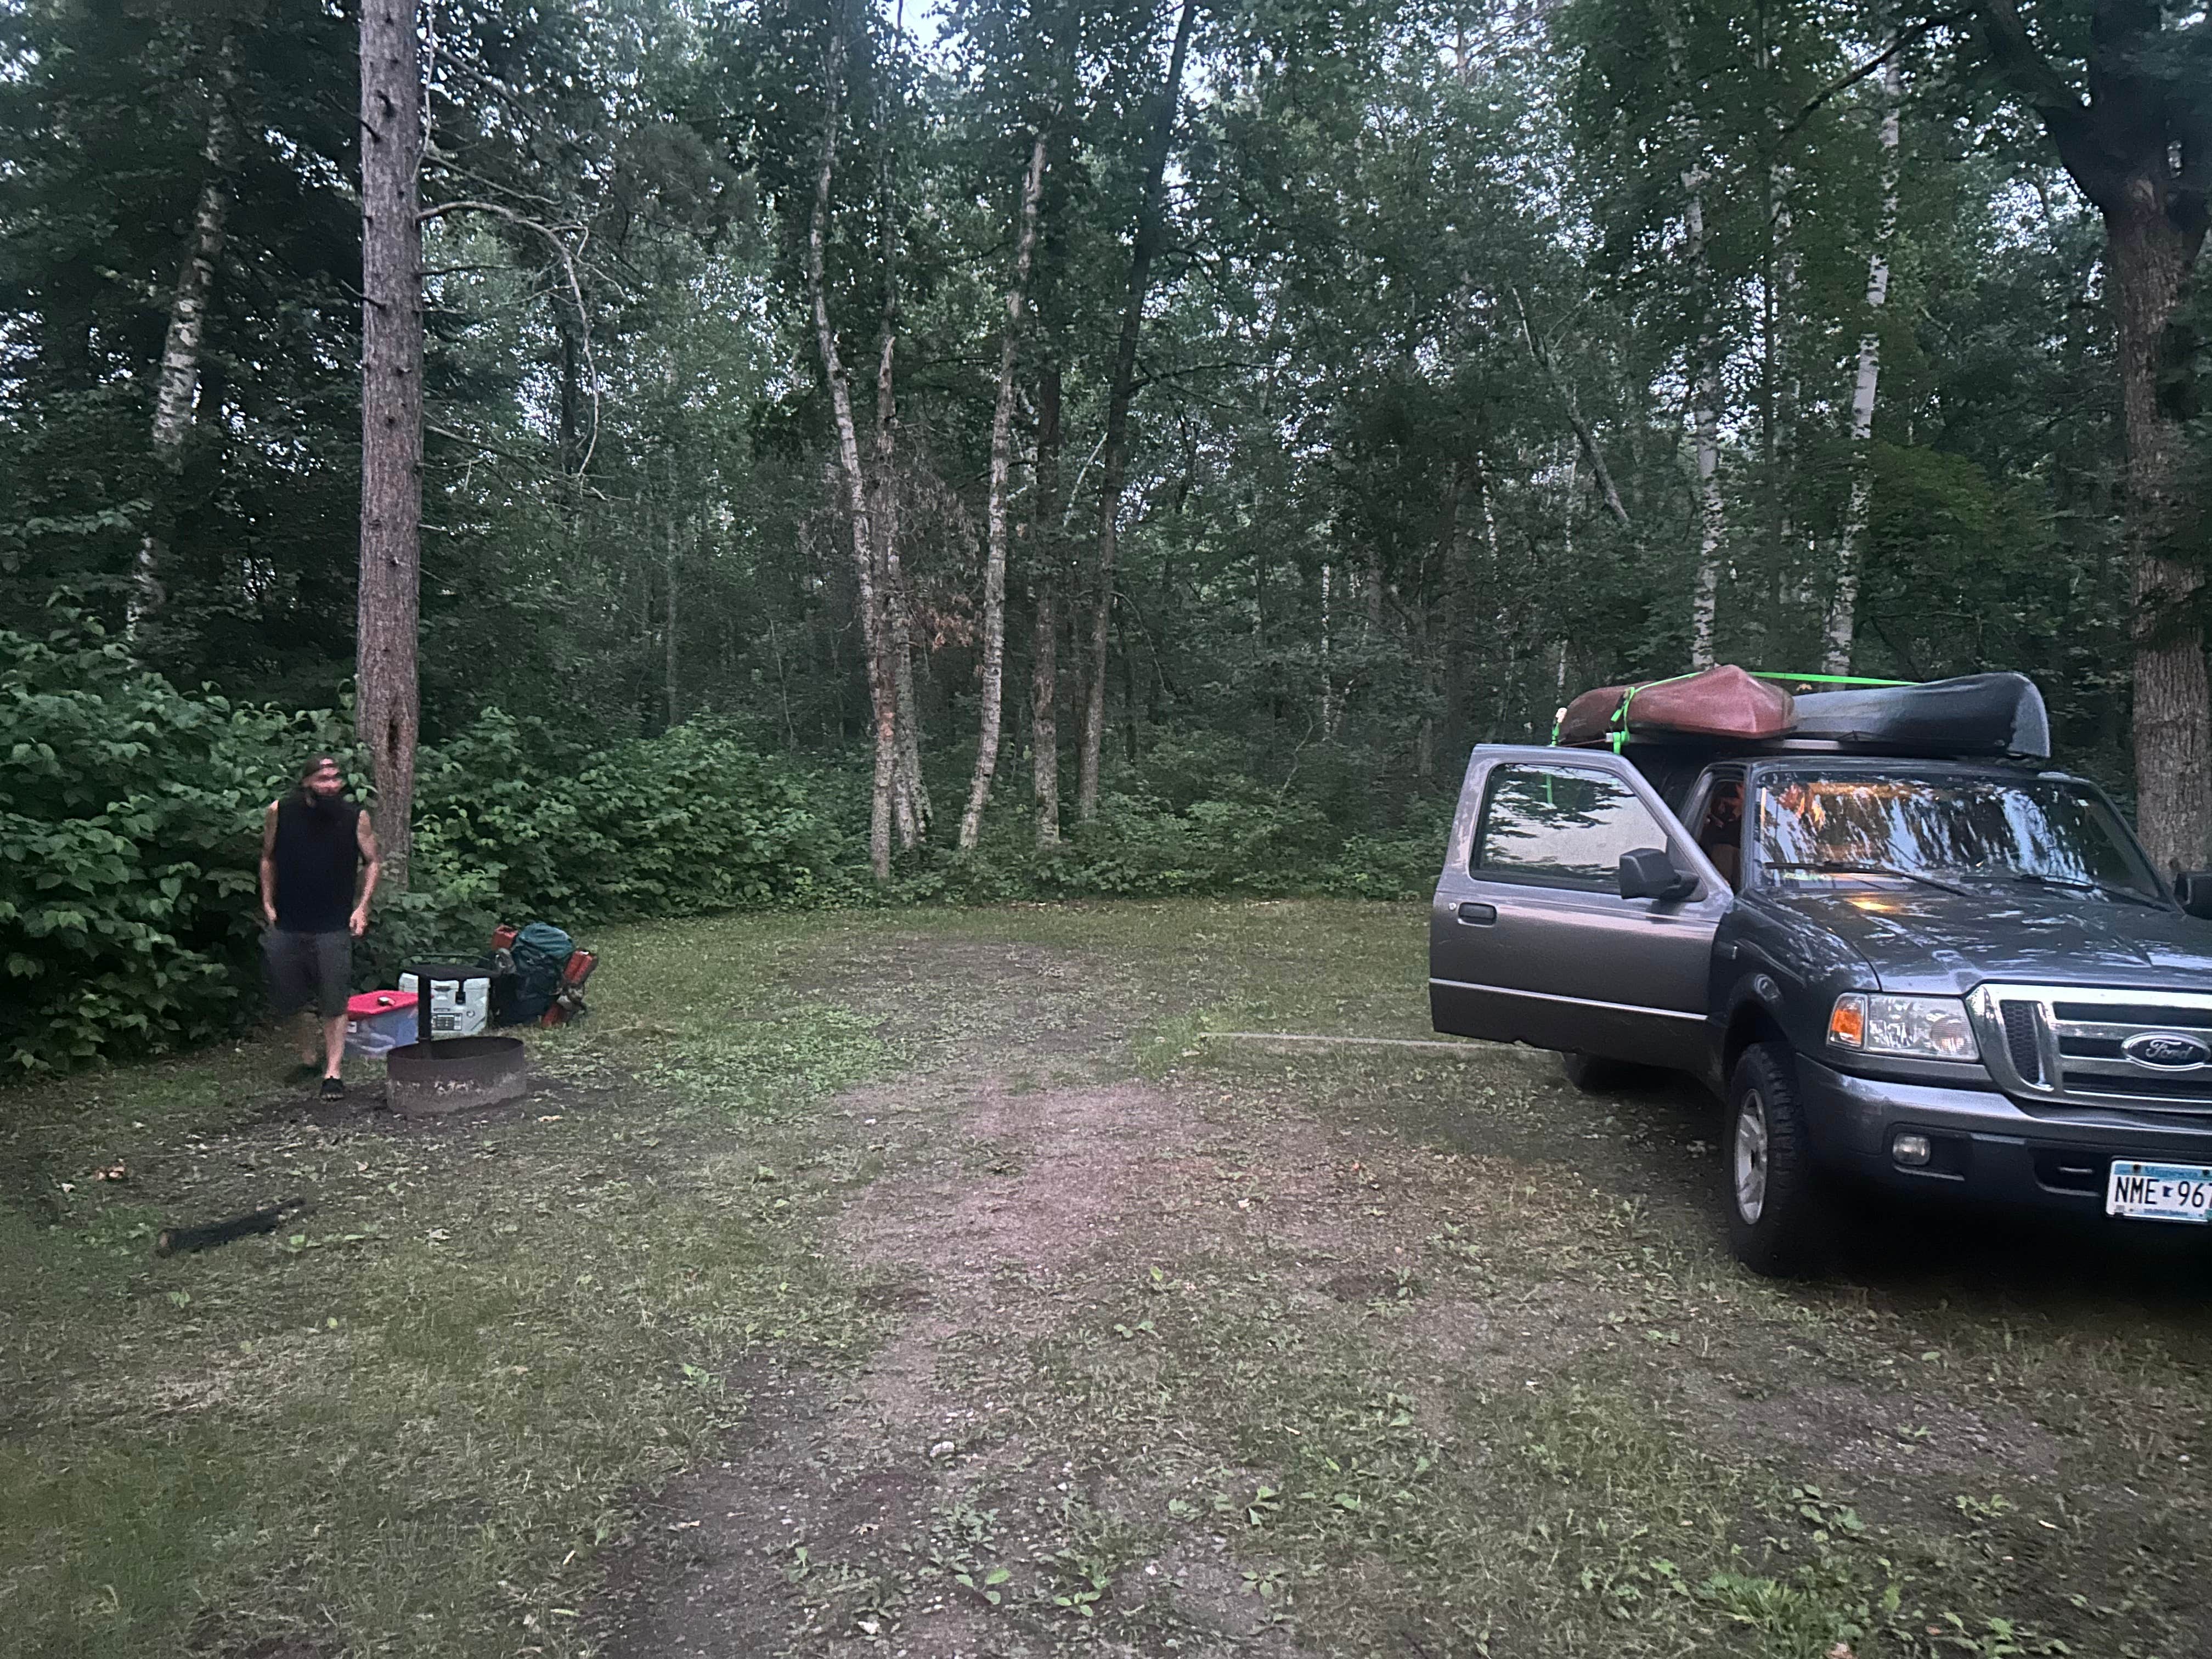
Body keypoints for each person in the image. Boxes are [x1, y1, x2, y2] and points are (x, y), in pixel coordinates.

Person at [260, 755, 380, 1098]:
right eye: (322, 779)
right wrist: (267, 903)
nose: (330, 785)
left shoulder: (354, 817)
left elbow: (372, 861)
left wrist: (362, 907)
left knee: (334, 998)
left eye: (335, 779)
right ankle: (309, 1058)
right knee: (293, 996)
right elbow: (267, 857)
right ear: (306, 783)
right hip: (288, 920)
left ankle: (333, 1073)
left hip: (333, 922)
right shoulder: (280, 811)